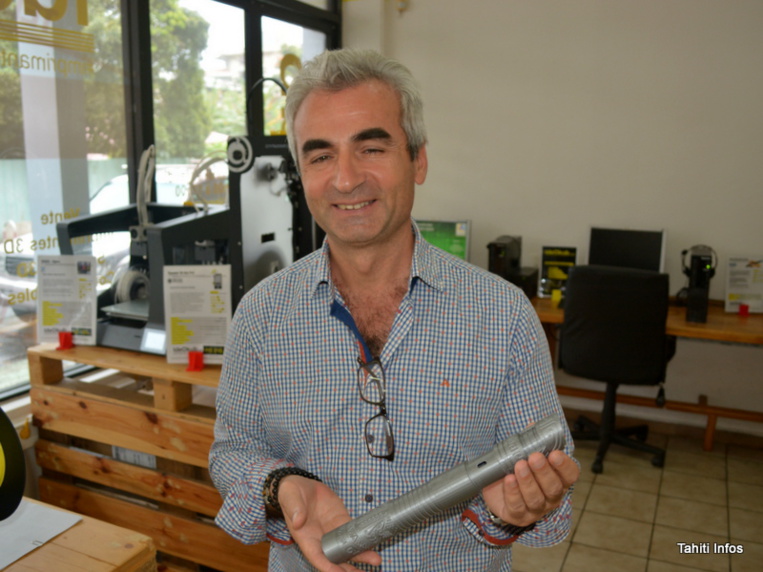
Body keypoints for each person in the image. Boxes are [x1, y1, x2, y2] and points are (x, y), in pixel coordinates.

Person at [209, 48, 579, 572]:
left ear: (418, 160)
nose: (345, 179)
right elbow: (231, 454)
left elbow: (546, 486)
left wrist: (510, 513)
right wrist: (281, 486)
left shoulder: (503, 316)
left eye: (371, 148)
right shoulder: (261, 316)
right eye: (320, 156)